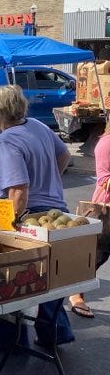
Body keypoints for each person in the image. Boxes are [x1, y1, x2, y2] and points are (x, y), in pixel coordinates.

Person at [0, 85, 73, 348]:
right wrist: (50, 181)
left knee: (12, 281)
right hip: (54, 213)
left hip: (27, 218)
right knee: (50, 277)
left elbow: (18, 190)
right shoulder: (37, 126)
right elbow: (64, 154)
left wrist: (6, 228)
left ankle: (10, 340)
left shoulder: (8, 140)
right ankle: (55, 332)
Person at [68, 121, 110, 319]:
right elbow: (104, 179)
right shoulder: (106, 143)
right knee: (96, 256)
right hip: (105, 209)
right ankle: (76, 293)